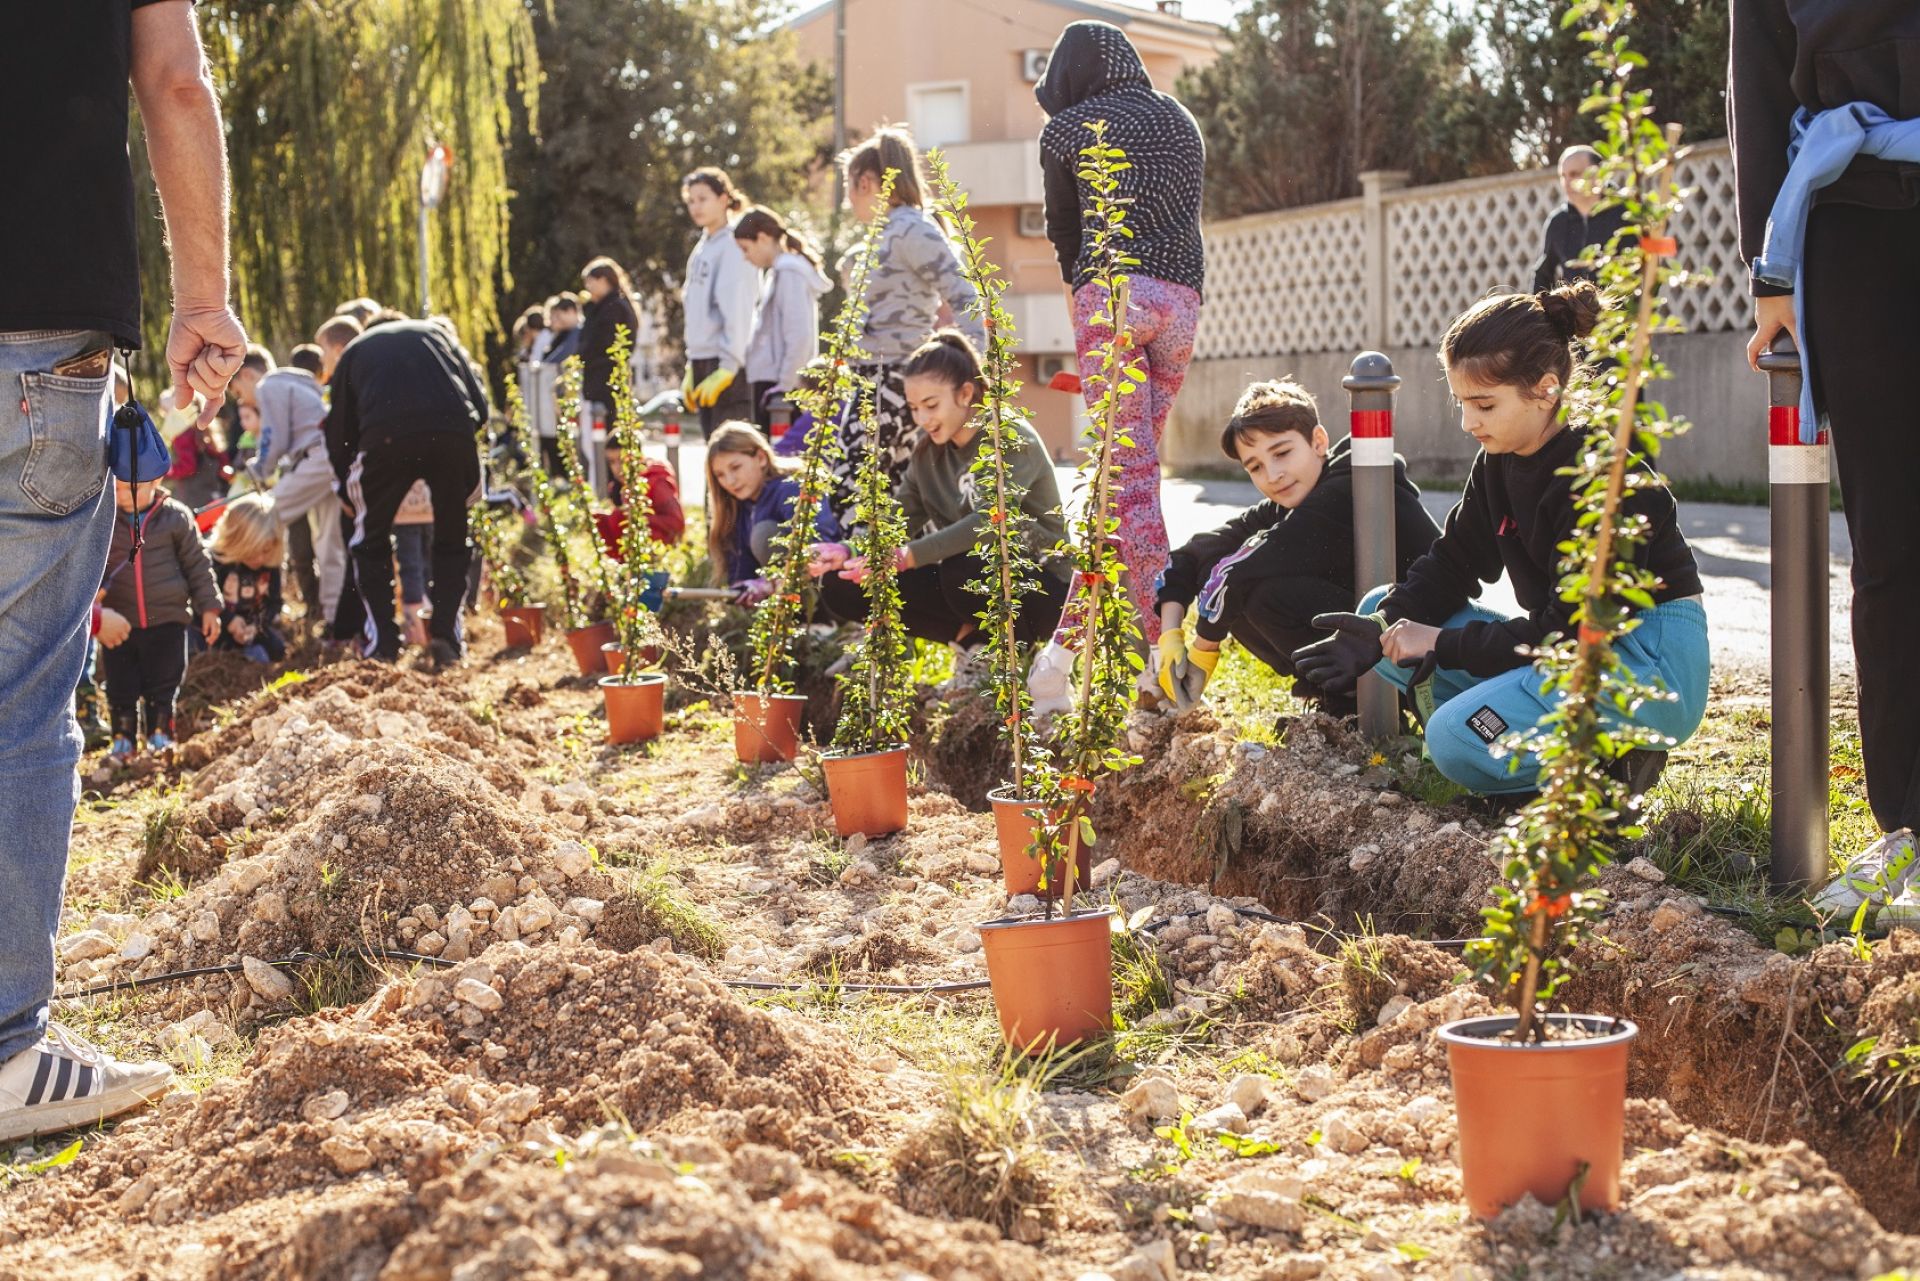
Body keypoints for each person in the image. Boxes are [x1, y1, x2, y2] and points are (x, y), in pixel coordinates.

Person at [0, 0, 245, 1143]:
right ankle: (6, 1049)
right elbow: (174, 80)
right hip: (37, 342)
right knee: (20, 699)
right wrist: (205, 297)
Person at [1290, 284, 1710, 798]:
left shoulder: (1600, 479)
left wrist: (1441, 643)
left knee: (1451, 737)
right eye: (1462, 403)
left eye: (1484, 405)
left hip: (1644, 666)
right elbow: (1453, 562)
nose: (1469, 423)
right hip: (1569, 652)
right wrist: (1374, 630)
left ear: (1546, 389)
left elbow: (1569, 634)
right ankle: (1547, 749)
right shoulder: (1498, 462)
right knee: (1384, 606)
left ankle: (1602, 774)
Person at [1729, 3, 1920, 918]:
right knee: (1891, 546)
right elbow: (1758, 88)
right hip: (1851, 225)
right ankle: (1910, 829)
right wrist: (1770, 270)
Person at [1031, 19, 1205, 664]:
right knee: (1124, 480)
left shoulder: (1067, 128)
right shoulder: (1180, 119)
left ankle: (1157, 647)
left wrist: (1084, 298)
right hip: (1183, 301)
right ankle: (1062, 657)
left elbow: (1064, 234)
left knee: (1126, 484)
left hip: (1113, 299)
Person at [1152, 378, 1441, 714]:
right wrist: (1170, 634)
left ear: (1318, 441)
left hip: (1431, 646)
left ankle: (1356, 705)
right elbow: (1195, 555)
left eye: (1283, 453)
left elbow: (1241, 573)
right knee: (1224, 575)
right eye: (1256, 467)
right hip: (1383, 636)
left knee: (1259, 591)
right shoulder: (1288, 502)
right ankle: (1338, 695)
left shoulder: (1347, 485)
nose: (1273, 474)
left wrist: (1203, 652)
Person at [809, 330, 1067, 648]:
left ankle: (1018, 652)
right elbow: (897, 521)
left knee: (963, 568)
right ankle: (971, 643)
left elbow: (990, 522)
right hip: (968, 578)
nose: (922, 419)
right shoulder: (926, 454)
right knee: (842, 584)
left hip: (1046, 587)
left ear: (965, 393)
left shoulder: (1007, 436)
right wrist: (850, 551)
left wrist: (909, 556)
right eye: (914, 408)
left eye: (931, 405)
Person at [829, 128, 984, 519]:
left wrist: (974, 365)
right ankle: (892, 574)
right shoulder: (885, 233)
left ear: (866, 183)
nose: (849, 202)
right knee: (889, 492)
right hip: (870, 376)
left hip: (896, 376)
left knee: (853, 489)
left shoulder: (912, 228)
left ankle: (869, 570)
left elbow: (964, 294)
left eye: (850, 189)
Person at [322, 312, 487, 665]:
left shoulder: (355, 350)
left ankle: (384, 642)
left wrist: (345, 487)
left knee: (369, 542)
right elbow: (481, 404)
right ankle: (446, 637)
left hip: (385, 436)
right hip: (451, 431)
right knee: (452, 537)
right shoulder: (437, 335)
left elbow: (339, 431)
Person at [98, 476, 221, 761]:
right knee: (120, 684)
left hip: (168, 619)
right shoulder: (105, 520)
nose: (122, 494)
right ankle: (123, 739)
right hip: (120, 621)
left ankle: (160, 734)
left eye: (131, 487)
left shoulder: (175, 518)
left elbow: (197, 564)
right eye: (115, 487)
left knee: (164, 682)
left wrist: (210, 608)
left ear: (155, 480)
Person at [237, 341, 344, 631]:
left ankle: (250, 604)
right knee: (329, 542)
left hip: (314, 458)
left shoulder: (268, 386)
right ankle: (335, 619)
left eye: (237, 391)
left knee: (262, 516)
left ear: (246, 375)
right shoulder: (300, 384)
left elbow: (274, 437)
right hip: (329, 459)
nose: (242, 400)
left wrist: (259, 469)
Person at [705, 422, 834, 602]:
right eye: (720, 475)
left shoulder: (790, 487)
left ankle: (820, 619)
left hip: (827, 589)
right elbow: (740, 565)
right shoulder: (740, 505)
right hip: (782, 598)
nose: (730, 481)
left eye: (735, 467)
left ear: (761, 458)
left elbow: (820, 547)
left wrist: (768, 584)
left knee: (764, 534)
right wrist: (742, 586)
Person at [734, 206, 830, 432]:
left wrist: (785, 386)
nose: (745, 257)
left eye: (746, 249)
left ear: (764, 238)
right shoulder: (778, 273)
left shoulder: (789, 274)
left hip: (781, 387)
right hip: (775, 383)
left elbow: (799, 336)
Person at [680, 168, 758, 431]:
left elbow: (737, 308)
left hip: (728, 365)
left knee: (731, 452)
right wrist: (692, 362)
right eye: (691, 200)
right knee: (713, 456)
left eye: (703, 198)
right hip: (704, 360)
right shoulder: (702, 247)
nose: (695, 206)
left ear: (723, 199)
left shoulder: (733, 245)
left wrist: (729, 366)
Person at [1530, 146, 1628, 293]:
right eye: (1563, 176)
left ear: (1598, 174)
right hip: (1575, 314)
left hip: (1619, 313)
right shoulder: (1558, 222)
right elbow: (1543, 274)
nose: (1567, 182)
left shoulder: (1625, 214)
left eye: (1574, 174)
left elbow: (1646, 268)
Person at [205, 493, 286, 663]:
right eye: (251, 552)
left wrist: (256, 626)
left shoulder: (269, 564)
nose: (259, 559)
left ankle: (245, 653)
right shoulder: (218, 562)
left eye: (265, 551)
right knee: (199, 645)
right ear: (234, 541)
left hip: (250, 627)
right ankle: (231, 654)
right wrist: (229, 619)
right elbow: (205, 598)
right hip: (219, 624)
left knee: (277, 649)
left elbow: (274, 603)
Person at [579, 257, 641, 440]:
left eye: (590, 282)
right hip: (600, 379)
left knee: (608, 435)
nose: (587, 287)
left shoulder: (613, 308)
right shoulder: (603, 307)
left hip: (607, 380)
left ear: (603, 280)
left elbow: (600, 343)